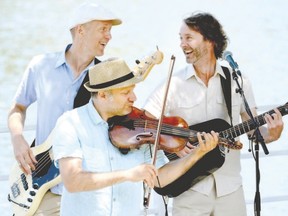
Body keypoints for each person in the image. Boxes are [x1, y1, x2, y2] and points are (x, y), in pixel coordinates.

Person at [143, 12, 284, 216]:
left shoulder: (238, 81)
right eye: (180, 38)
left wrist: (273, 133)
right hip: (189, 192)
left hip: (231, 191)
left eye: (189, 38)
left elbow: (254, 133)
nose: (182, 44)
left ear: (209, 40)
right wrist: (173, 144)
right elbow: (144, 123)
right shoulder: (173, 85)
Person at [51, 57, 219, 215]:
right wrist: (128, 174)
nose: (134, 98)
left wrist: (198, 154)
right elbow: (73, 181)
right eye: (126, 92)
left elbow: (159, 178)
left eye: (133, 90)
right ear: (102, 95)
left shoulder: (142, 127)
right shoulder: (71, 123)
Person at [7, 2, 122, 215]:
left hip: (86, 194)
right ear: (81, 30)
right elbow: (18, 107)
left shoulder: (106, 79)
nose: (109, 36)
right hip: (41, 190)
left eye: (110, 30)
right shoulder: (40, 66)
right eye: (103, 29)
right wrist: (17, 138)